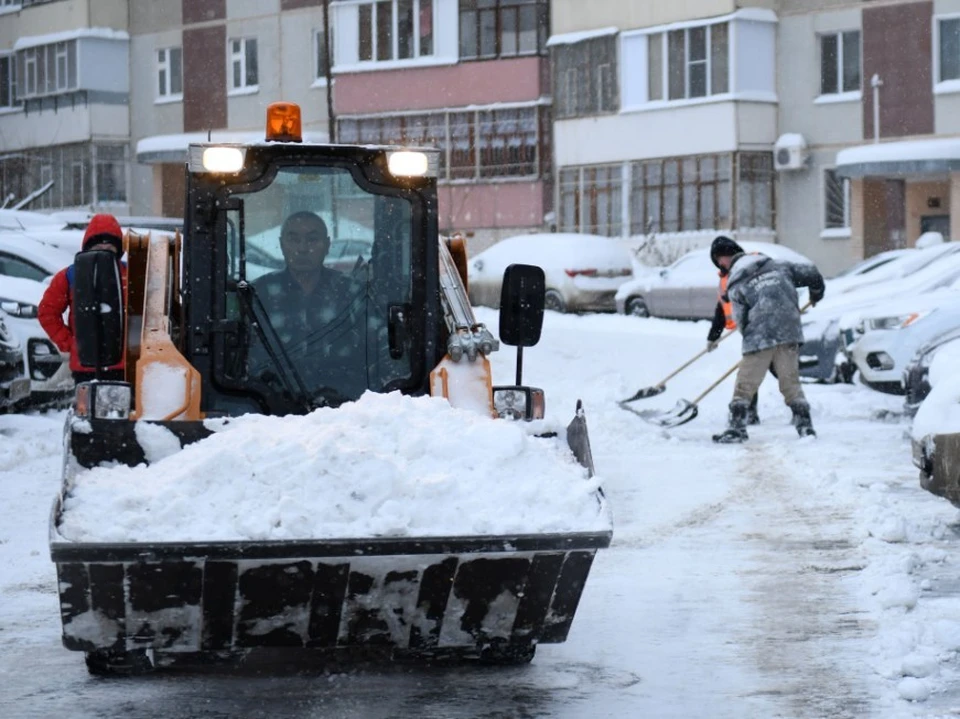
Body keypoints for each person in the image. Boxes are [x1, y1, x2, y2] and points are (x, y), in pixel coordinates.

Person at [710, 237, 825, 444]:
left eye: (720, 262)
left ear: (725, 259)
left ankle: (737, 428)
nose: (721, 267)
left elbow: (739, 318)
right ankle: (805, 427)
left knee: (745, 383)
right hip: (789, 330)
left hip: (759, 334)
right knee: (790, 382)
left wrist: (750, 338)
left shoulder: (736, 281)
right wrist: (816, 294)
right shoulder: (779, 265)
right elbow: (812, 273)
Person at [249, 211, 365, 395]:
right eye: (294, 240)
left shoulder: (352, 292)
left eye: (312, 240)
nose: (302, 248)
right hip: (269, 407)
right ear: (281, 245)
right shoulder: (258, 294)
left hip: (346, 407)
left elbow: (380, 352)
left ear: (327, 245)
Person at [38, 213, 127, 383]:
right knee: (88, 408)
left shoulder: (131, 275)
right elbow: (47, 312)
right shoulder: (70, 276)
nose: (103, 253)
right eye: (97, 248)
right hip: (85, 366)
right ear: (87, 250)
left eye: (108, 249)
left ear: (118, 250)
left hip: (126, 366)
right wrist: (71, 344)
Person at [705, 236, 763, 425]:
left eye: (721, 258)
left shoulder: (752, 265)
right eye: (717, 260)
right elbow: (722, 309)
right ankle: (751, 412)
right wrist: (713, 336)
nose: (719, 263)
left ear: (730, 255)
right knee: (755, 371)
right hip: (751, 332)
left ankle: (798, 408)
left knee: (753, 371)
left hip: (764, 326)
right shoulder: (725, 278)